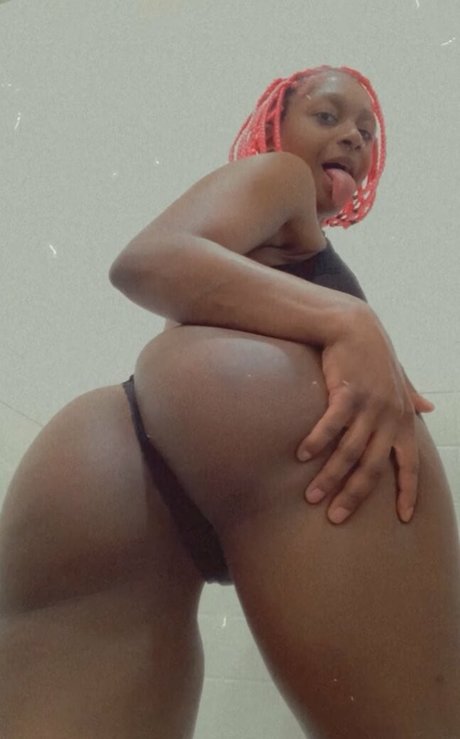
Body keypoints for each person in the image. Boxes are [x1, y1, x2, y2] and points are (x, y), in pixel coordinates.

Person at [0, 65, 459, 739]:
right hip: (264, 437)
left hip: (106, 457)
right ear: (276, 123)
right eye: (326, 116)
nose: (353, 138)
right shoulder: (280, 175)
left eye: (366, 131)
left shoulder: (263, 234)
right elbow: (149, 261)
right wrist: (348, 319)